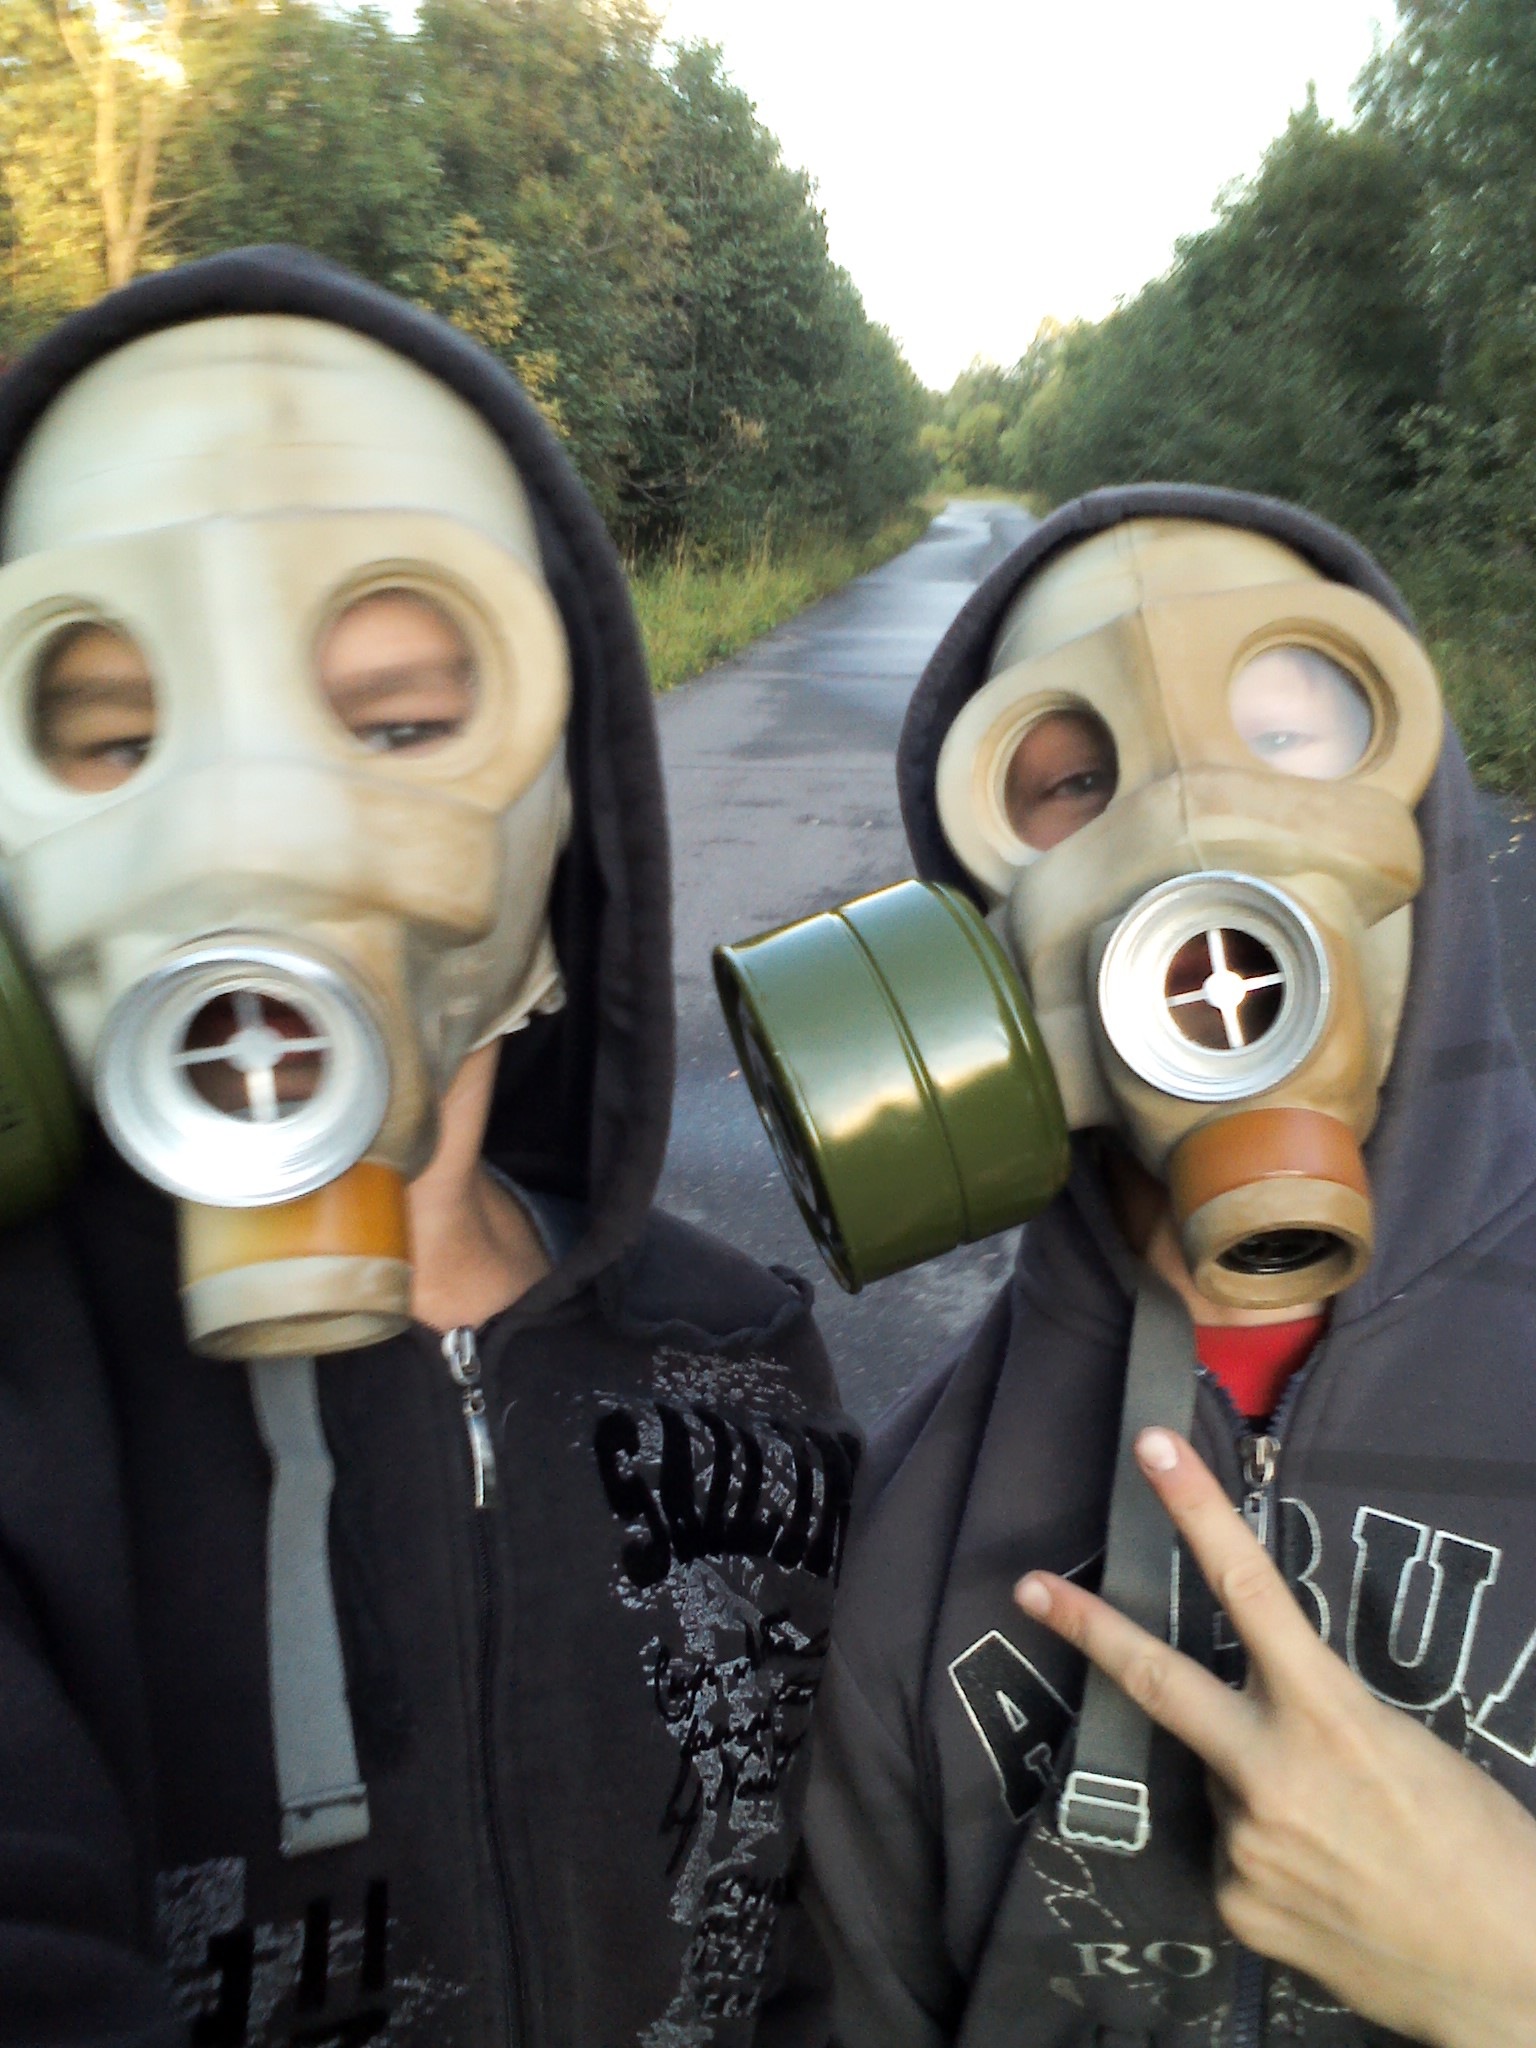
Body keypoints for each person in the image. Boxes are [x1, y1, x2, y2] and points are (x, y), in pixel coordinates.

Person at [0, 247, 857, 2046]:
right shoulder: (30, 1421)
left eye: (398, 724)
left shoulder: (740, 1359)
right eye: (123, 741)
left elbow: (808, 1930)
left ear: (564, 818)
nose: (253, 838)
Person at [779, 485, 1536, 2046]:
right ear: (979, 944)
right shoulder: (917, 1524)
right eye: (1071, 783)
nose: (1193, 833)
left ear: (1427, 813)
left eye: (1287, 733)